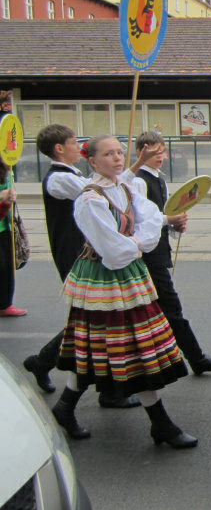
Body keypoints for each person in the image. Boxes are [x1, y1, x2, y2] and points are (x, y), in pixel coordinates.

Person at [52, 134, 197, 448]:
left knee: (112, 347)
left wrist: (156, 229)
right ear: (92, 161)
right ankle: (161, 424)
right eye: (108, 154)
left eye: (119, 152)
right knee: (123, 347)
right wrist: (142, 239)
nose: (117, 158)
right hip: (103, 278)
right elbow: (114, 251)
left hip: (128, 275)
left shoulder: (127, 187)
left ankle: (65, 407)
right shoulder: (89, 199)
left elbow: (152, 219)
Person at [23, 124, 154, 407]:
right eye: (73, 142)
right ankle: (51, 368)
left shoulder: (75, 175)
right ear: (60, 148)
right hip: (79, 255)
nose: (77, 146)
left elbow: (113, 186)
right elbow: (102, 190)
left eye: (119, 152)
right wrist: (134, 168)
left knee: (96, 323)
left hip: (95, 252)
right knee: (90, 323)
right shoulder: (61, 179)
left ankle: (91, 389)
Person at [133, 131, 211, 376]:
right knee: (170, 309)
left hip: (157, 254)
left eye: (162, 152)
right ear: (140, 152)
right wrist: (168, 219)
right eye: (154, 152)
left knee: (153, 312)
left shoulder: (159, 180)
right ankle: (196, 359)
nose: (160, 157)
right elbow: (139, 220)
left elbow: (161, 217)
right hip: (146, 257)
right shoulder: (138, 181)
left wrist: (174, 225)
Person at [0, 159, 25, 317]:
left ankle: (5, 304)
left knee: (6, 267)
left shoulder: (6, 170)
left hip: (4, 226)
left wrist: (9, 198)